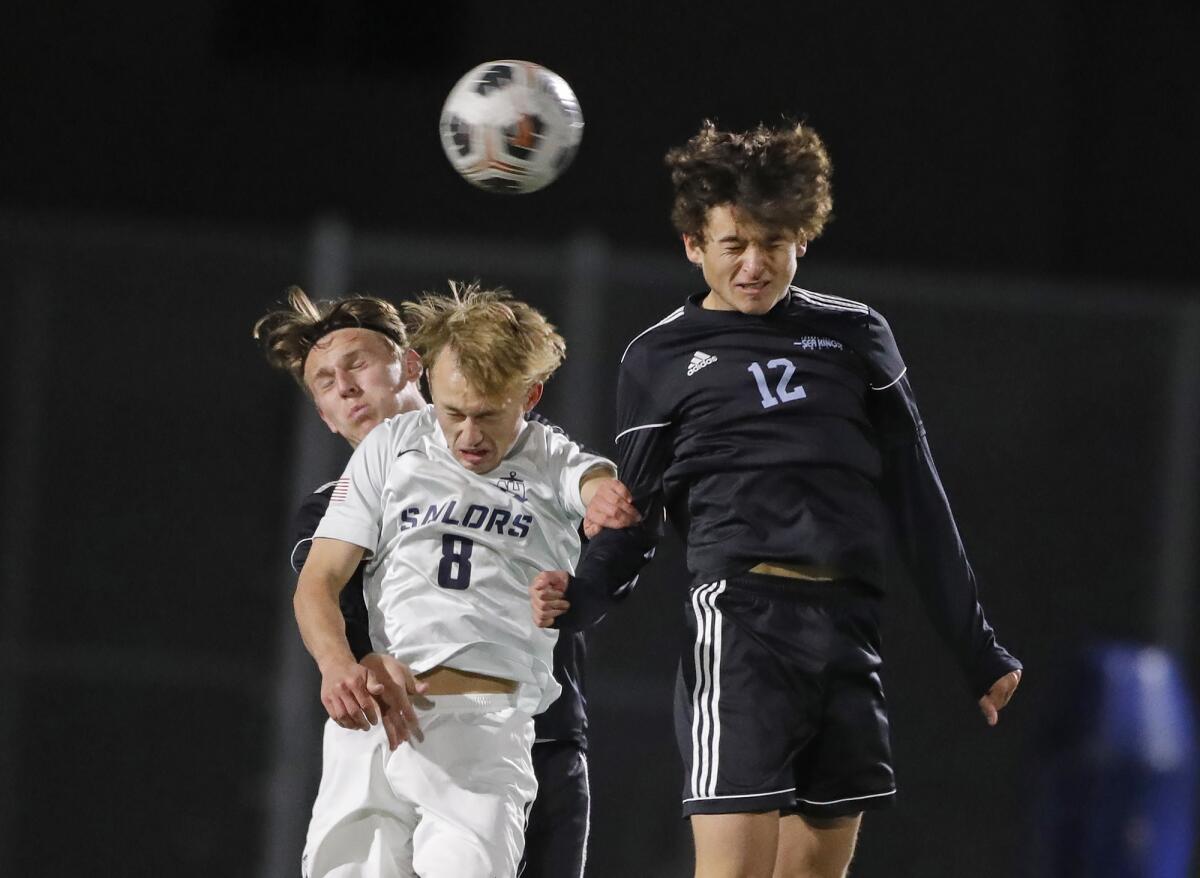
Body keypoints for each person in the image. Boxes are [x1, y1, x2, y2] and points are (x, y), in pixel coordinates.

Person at [530, 120, 1024, 878]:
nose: (755, 264)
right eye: (734, 245)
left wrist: (975, 644)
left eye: (774, 243)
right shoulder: (658, 356)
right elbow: (637, 516)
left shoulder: (857, 336)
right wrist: (581, 596)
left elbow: (918, 496)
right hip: (743, 623)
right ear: (694, 244)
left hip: (849, 627)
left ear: (803, 237)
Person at [255, 284, 635, 878]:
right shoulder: (352, 487)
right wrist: (350, 661)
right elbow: (324, 590)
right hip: (383, 721)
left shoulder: (536, 449)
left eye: (356, 365)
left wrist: (598, 527)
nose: (346, 387)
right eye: (324, 383)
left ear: (416, 368)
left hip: (523, 723)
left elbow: (601, 495)